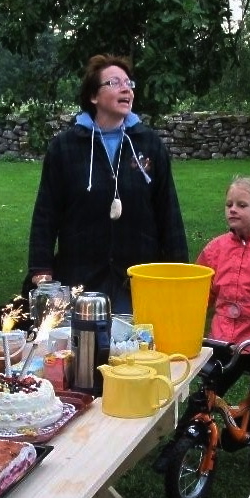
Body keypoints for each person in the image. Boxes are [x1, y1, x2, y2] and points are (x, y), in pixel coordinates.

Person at [154, 176, 250, 472]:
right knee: (203, 399)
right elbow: (201, 292)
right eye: (229, 205)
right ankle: (179, 446)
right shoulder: (215, 249)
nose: (232, 210)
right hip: (224, 342)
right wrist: (180, 320)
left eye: (241, 204)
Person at [27, 54, 188, 313]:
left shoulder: (149, 144)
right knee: (84, 349)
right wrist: (41, 270)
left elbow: (168, 211)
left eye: (129, 83)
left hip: (138, 279)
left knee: (136, 350)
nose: (126, 88)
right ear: (93, 96)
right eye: (114, 83)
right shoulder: (65, 147)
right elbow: (46, 213)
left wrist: (179, 270)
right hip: (80, 277)